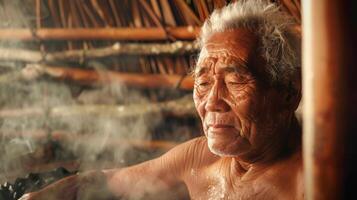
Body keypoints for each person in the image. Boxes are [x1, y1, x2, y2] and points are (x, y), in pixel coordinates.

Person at [20, 0, 303, 199]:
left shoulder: (316, 182)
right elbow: (103, 183)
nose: (212, 101)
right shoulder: (198, 159)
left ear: (289, 93)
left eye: (234, 80)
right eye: (203, 83)